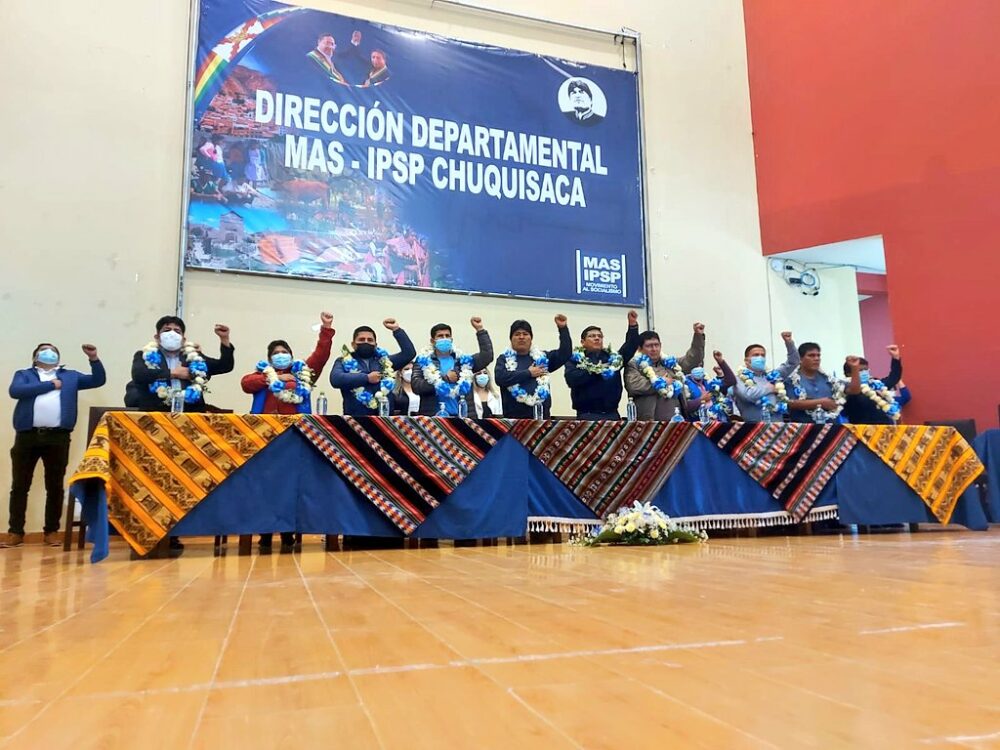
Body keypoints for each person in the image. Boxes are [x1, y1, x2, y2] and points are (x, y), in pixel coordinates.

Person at [3, 344, 106, 549]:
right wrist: (51, 385)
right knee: (20, 485)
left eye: (53, 350)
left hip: (58, 437)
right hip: (27, 435)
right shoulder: (24, 374)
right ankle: (15, 532)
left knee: (55, 486)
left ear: (58, 358)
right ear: (35, 356)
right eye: (44, 349)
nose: (49, 352)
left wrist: (94, 358)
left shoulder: (70, 376)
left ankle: (51, 531)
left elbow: (98, 380)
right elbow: (16, 391)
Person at [125, 316, 235, 413]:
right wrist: (172, 373)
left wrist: (224, 339)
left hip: (191, 415)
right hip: (155, 415)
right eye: (167, 330)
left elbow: (225, 366)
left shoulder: (193, 357)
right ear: (157, 337)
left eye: (177, 331)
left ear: (183, 339)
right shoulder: (144, 356)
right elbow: (139, 375)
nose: (172, 334)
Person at [241, 312, 335, 415]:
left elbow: (320, 356)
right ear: (270, 360)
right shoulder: (264, 374)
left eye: (284, 352)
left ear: (291, 357)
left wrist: (326, 328)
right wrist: (276, 377)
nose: (280, 355)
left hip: (297, 423)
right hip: (266, 423)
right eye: (276, 353)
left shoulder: (303, 372)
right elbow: (245, 383)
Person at [564, 310, 640, 420]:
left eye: (600, 336)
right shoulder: (575, 359)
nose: (597, 338)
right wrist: (596, 371)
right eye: (592, 336)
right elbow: (572, 379)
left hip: (612, 414)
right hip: (587, 414)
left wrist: (633, 325)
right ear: (583, 342)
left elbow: (630, 346)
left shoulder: (613, 359)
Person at [331, 319, 416, 415]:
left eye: (370, 340)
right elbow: (336, 379)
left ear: (375, 345)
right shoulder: (343, 361)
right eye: (361, 340)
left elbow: (409, 353)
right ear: (353, 344)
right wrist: (366, 378)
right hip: (355, 418)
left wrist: (396, 330)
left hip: (385, 418)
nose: (366, 342)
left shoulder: (385, 362)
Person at [410, 317, 494, 416]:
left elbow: (487, 356)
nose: (444, 338)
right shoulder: (423, 361)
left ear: (451, 339)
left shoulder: (463, 361)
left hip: (461, 417)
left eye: (447, 336)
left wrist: (480, 330)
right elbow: (416, 386)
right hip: (434, 417)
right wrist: (444, 378)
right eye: (440, 336)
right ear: (432, 341)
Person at [493, 315, 572, 419]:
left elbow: (565, 353)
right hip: (514, 420)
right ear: (511, 339)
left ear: (531, 338)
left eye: (525, 334)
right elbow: (500, 378)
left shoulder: (542, 358)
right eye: (517, 334)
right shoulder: (504, 359)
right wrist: (528, 373)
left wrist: (563, 329)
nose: (521, 337)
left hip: (541, 418)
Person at [625, 322, 706, 421]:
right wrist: (662, 382)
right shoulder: (634, 364)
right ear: (640, 348)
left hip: (677, 421)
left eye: (656, 345)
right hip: (649, 422)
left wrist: (698, 336)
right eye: (649, 346)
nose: (654, 349)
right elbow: (634, 385)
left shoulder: (670, 363)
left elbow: (692, 360)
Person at [733, 331, 799, 421]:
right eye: (756, 355)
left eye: (763, 355)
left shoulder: (772, 376)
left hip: (777, 425)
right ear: (747, 360)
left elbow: (793, 362)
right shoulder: (738, 379)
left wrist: (789, 343)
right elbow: (748, 395)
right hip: (753, 427)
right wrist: (769, 388)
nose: (760, 358)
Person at [784, 342, 846, 423]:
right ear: (800, 359)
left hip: (832, 427)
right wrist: (820, 403)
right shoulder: (791, 380)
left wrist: (854, 369)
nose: (816, 358)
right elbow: (790, 403)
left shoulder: (828, 379)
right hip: (804, 428)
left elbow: (852, 390)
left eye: (818, 355)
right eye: (811, 355)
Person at [842, 345, 903, 424]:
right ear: (849, 374)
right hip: (862, 429)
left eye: (866, 369)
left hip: (884, 427)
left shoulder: (876, 385)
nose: (864, 372)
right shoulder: (847, 389)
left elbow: (893, 378)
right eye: (860, 370)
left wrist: (895, 358)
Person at [683, 349, 738, 420]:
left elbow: (731, 381)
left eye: (700, 365)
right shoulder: (684, 384)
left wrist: (721, 362)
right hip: (698, 422)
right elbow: (683, 407)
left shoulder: (709, 382)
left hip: (718, 421)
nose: (698, 367)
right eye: (695, 365)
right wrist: (701, 400)